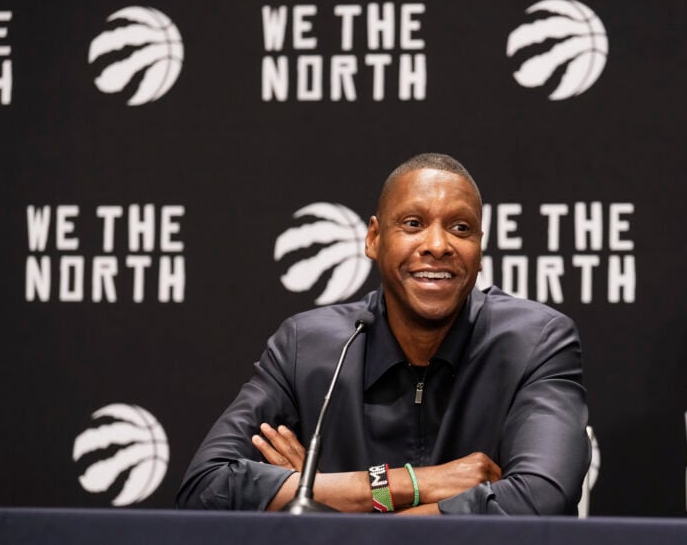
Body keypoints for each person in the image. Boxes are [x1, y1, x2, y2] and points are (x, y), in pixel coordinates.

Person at [177, 153, 589, 515]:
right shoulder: (306, 347)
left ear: (480, 248)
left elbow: (540, 501)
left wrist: (324, 502)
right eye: (413, 223)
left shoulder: (534, 342)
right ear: (374, 239)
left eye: (461, 228)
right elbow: (205, 490)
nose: (438, 244)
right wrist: (414, 483)